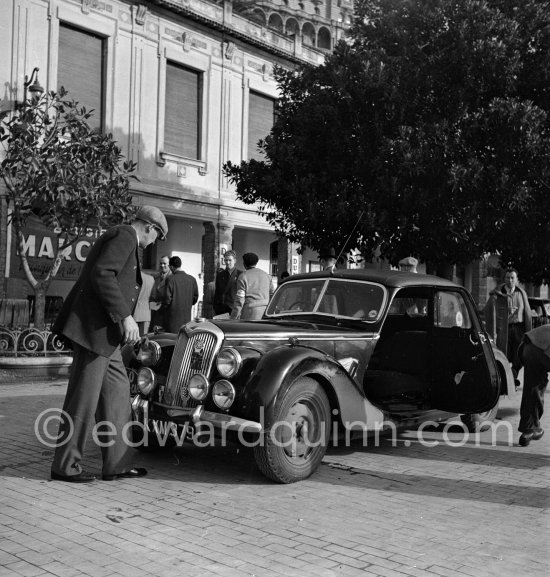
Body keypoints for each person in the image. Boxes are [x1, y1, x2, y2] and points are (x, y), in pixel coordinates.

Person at [50, 205, 168, 483]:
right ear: (149, 227)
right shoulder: (125, 235)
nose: (154, 243)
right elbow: (103, 274)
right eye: (157, 236)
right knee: (83, 399)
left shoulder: (124, 238)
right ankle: (64, 466)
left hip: (107, 337)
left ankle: (118, 464)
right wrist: (125, 317)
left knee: (117, 397)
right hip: (95, 333)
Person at [484, 268, 532, 387]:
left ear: (516, 280)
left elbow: (527, 313)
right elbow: (488, 312)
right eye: (507, 277)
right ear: (504, 279)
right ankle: (504, 380)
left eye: (512, 278)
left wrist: (529, 333)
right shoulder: (496, 295)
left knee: (520, 355)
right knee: (503, 354)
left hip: (519, 329)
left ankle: (513, 374)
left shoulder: (521, 293)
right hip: (503, 330)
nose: (510, 280)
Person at [516, 324, 550, 446]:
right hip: (542, 350)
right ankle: (531, 428)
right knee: (538, 385)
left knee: (532, 389)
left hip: (527, 347)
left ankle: (528, 431)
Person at [162, 255, 198, 332]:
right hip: (187, 318)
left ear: (171, 267)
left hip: (172, 319)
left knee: (171, 341)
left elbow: (167, 299)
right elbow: (195, 298)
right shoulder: (192, 279)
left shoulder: (170, 279)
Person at [231, 252, 272, 320]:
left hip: (249, 313)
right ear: (256, 263)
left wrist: (233, 317)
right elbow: (272, 294)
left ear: (244, 264)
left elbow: (239, 300)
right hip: (266, 312)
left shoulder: (243, 277)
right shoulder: (267, 275)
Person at [213, 250, 242, 316]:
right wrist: (215, 307)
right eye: (226, 260)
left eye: (230, 260)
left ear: (235, 261)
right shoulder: (220, 275)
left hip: (234, 308)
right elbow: (217, 293)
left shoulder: (240, 274)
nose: (227, 262)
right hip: (221, 309)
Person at [149, 256, 171, 329]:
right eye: (161, 263)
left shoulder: (173, 278)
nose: (162, 265)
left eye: (164, 263)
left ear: (169, 264)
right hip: (155, 312)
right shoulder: (156, 276)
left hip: (166, 312)